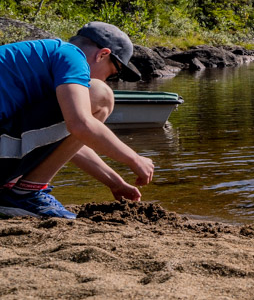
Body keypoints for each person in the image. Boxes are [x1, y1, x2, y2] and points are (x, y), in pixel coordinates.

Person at [0, 22, 155, 219]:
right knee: (100, 94)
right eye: (112, 73)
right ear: (102, 54)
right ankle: (26, 194)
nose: (108, 80)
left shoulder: (43, 57)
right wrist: (135, 159)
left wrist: (114, 182)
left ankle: (18, 192)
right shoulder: (72, 55)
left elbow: (61, 142)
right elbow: (80, 125)